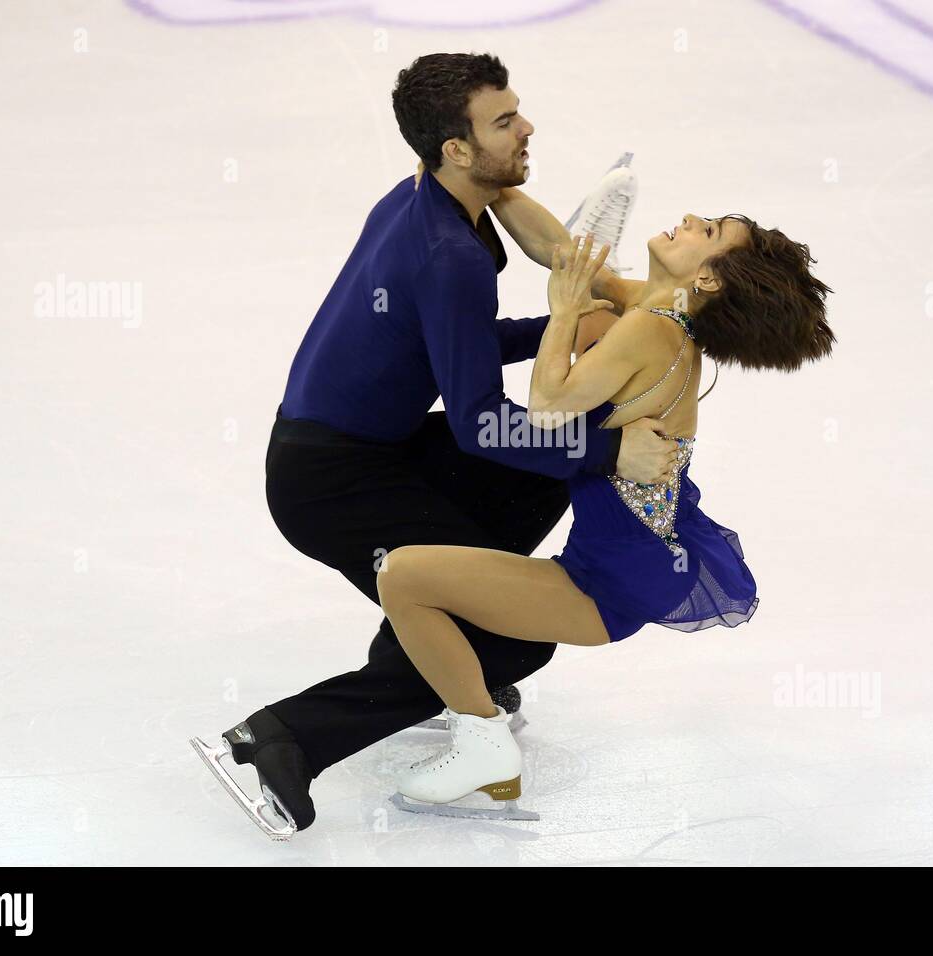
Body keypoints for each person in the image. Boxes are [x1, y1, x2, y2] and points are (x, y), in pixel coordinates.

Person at [189, 52, 676, 839]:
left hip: (373, 445)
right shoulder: (449, 256)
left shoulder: (424, 194)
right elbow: (483, 420)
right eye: (504, 121)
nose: (526, 128)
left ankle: (438, 645)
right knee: (511, 635)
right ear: (454, 148)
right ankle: (279, 741)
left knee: (535, 475)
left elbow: (452, 337)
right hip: (330, 481)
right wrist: (608, 452)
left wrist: (568, 320)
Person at [377, 215, 835, 818]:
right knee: (412, 574)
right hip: (626, 561)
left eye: (712, 230)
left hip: (608, 582)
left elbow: (545, 406)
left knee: (403, 578)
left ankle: (482, 744)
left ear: (708, 278)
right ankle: (472, 717)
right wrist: (498, 187)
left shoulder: (650, 329)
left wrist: (562, 312)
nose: (692, 218)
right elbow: (572, 257)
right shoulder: (659, 314)